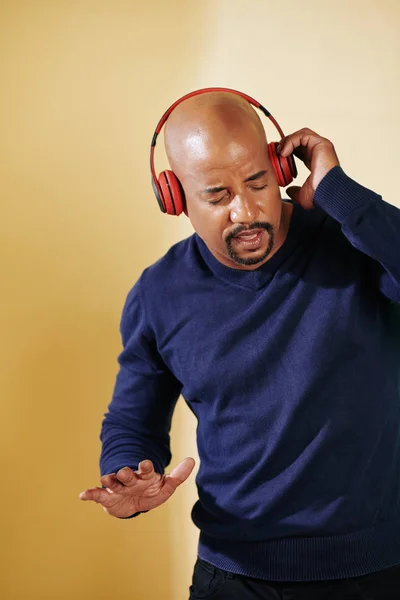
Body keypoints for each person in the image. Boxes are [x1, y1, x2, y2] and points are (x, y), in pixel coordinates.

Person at [80, 88, 400, 599]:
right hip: (233, 579)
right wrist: (128, 473)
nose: (248, 212)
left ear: (281, 167)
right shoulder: (159, 292)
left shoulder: (356, 243)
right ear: (175, 198)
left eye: (259, 181)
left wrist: (340, 191)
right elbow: (133, 418)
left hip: (376, 573)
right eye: (218, 195)